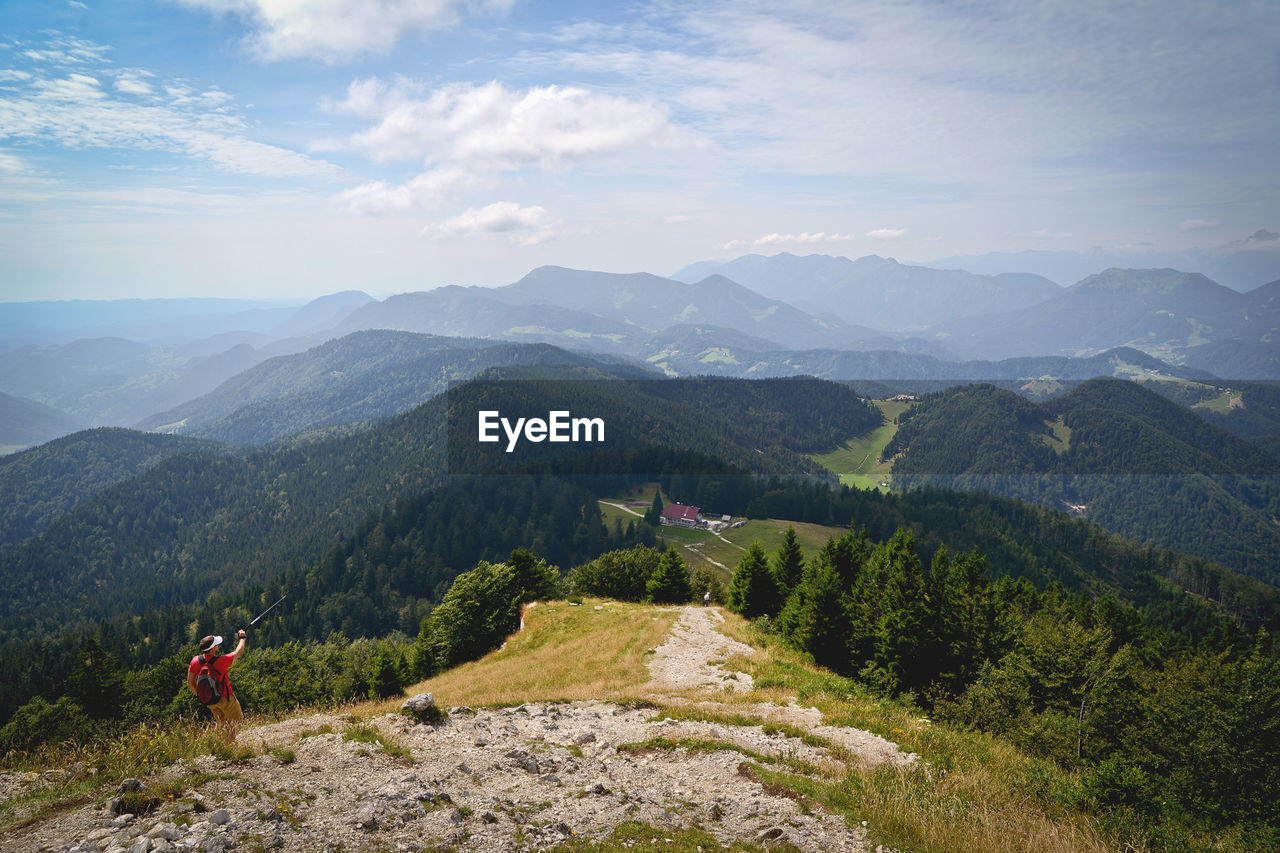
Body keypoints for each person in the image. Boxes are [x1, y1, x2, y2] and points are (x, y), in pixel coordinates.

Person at [188, 629, 247, 742]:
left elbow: (190, 682)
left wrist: (200, 696)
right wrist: (242, 638)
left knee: (221, 722)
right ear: (214, 648)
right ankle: (228, 745)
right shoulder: (221, 660)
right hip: (226, 698)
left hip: (210, 700)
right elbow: (238, 652)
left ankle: (215, 743)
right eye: (216, 644)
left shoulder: (196, 661)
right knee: (236, 722)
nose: (218, 646)